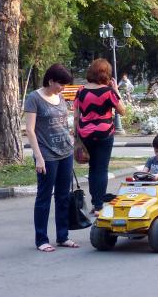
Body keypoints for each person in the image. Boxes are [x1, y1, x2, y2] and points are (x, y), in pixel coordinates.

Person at [24, 63, 80, 252]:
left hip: (65, 152)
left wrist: (71, 138)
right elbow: (30, 131)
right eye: (60, 84)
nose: (63, 88)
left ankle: (63, 236)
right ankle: (41, 239)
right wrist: (38, 157)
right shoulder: (34, 98)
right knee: (44, 197)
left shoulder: (60, 96)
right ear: (50, 81)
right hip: (46, 154)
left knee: (63, 197)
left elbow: (63, 121)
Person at [74, 58, 126, 216]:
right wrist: (116, 90)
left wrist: (76, 137)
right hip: (104, 134)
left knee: (92, 168)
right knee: (101, 169)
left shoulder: (81, 91)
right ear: (106, 74)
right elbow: (122, 111)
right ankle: (98, 206)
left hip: (86, 134)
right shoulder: (108, 92)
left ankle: (95, 203)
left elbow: (76, 116)